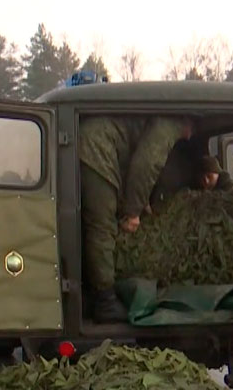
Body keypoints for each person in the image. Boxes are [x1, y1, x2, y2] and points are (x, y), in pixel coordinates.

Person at [79, 115, 191, 322]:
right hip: (96, 148)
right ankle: (105, 302)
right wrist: (133, 212)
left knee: (97, 225)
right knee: (101, 227)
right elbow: (147, 163)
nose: (190, 136)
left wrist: (141, 201)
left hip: (98, 146)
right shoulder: (169, 122)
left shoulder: (159, 121)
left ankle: (92, 294)